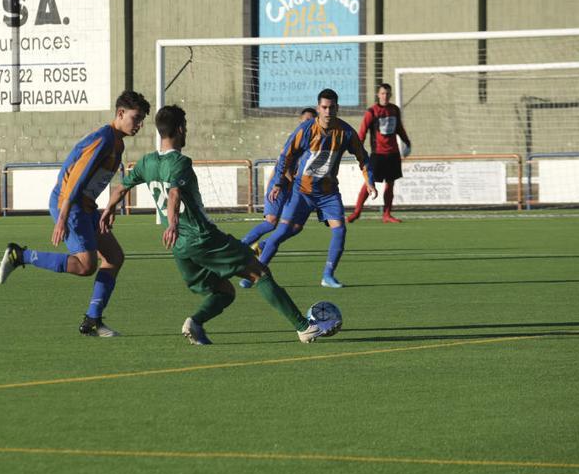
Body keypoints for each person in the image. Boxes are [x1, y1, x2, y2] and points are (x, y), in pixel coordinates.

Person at [99, 105, 339, 345]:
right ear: (181, 129)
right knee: (259, 273)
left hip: (180, 248)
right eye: (186, 127)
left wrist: (109, 209)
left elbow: (121, 187)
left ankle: (195, 322)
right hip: (203, 238)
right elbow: (174, 193)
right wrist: (173, 222)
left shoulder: (146, 162)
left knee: (224, 292)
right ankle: (304, 327)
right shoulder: (180, 162)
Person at [0, 90, 150, 337]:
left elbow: (93, 180)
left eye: (142, 119)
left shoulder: (117, 142)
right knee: (85, 266)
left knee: (114, 257)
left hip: (85, 205)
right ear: (120, 113)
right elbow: (76, 177)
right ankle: (20, 255)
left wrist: (107, 209)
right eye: (136, 118)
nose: (140, 125)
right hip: (69, 203)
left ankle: (93, 321)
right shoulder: (104, 140)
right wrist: (63, 214)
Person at [250, 89, 376, 289]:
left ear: (337, 108)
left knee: (340, 229)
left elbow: (363, 157)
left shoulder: (346, 132)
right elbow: (285, 156)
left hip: (328, 193)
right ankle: (255, 274)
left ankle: (328, 275)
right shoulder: (306, 129)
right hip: (302, 191)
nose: (328, 111)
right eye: (324, 107)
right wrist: (278, 183)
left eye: (332, 107)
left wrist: (369, 181)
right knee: (282, 231)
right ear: (319, 108)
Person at [238, 107, 317, 288]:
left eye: (311, 120)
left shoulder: (315, 143)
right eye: (305, 120)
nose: (308, 123)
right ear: (300, 121)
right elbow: (285, 166)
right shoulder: (297, 139)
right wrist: (277, 185)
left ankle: (262, 245)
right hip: (281, 185)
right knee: (271, 222)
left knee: (296, 227)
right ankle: (241, 246)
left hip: (295, 189)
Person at [347, 83, 412, 223]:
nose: (385, 96)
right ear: (378, 95)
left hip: (393, 153)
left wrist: (407, 142)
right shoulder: (372, 112)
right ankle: (357, 212)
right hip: (378, 154)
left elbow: (399, 128)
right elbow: (362, 131)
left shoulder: (394, 110)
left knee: (390, 184)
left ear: (391, 95)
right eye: (383, 93)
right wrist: (357, 148)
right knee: (369, 183)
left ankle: (387, 214)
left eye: (388, 93)